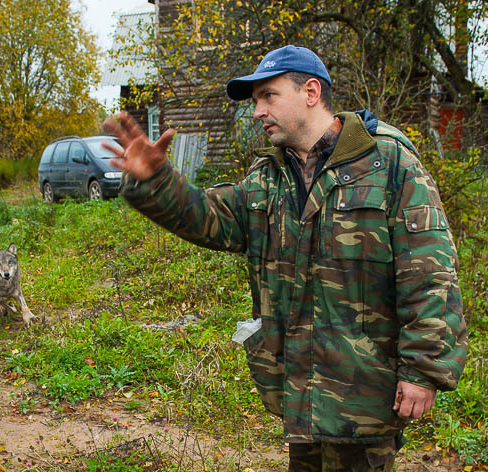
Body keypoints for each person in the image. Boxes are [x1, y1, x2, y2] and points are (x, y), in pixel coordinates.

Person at [103, 45, 467, 471]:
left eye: (268, 96)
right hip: (299, 389)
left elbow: (430, 273)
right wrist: (157, 180)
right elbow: (209, 219)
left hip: (364, 389)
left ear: (311, 92)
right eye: (255, 100)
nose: (258, 111)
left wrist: (422, 370)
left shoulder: (388, 164)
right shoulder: (269, 177)